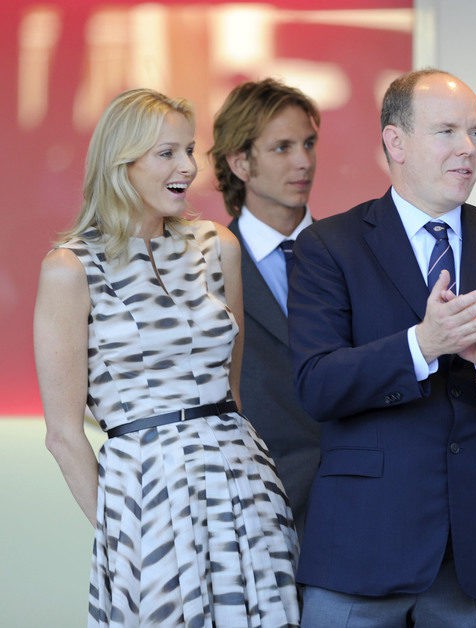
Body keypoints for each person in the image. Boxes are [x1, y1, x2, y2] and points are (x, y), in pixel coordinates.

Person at [288, 68, 476, 626]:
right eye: (447, 131)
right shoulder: (329, 247)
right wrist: (422, 345)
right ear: (394, 141)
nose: (468, 149)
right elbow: (317, 384)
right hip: (362, 544)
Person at [34, 88, 299, 626]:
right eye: (167, 153)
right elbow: (62, 433)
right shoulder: (70, 267)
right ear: (120, 164)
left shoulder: (217, 245)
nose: (187, 167)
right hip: (144, 497)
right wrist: (120, 530)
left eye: (189, 151)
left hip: (243, 488)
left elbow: (234, 393)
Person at [210, 78, 321, 539]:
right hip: (251, 513)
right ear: (240, 162)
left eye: (309, 143)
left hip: (361, 512)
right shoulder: (205, 269)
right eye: (282, 148)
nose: (304, 161)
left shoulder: (358, 254)